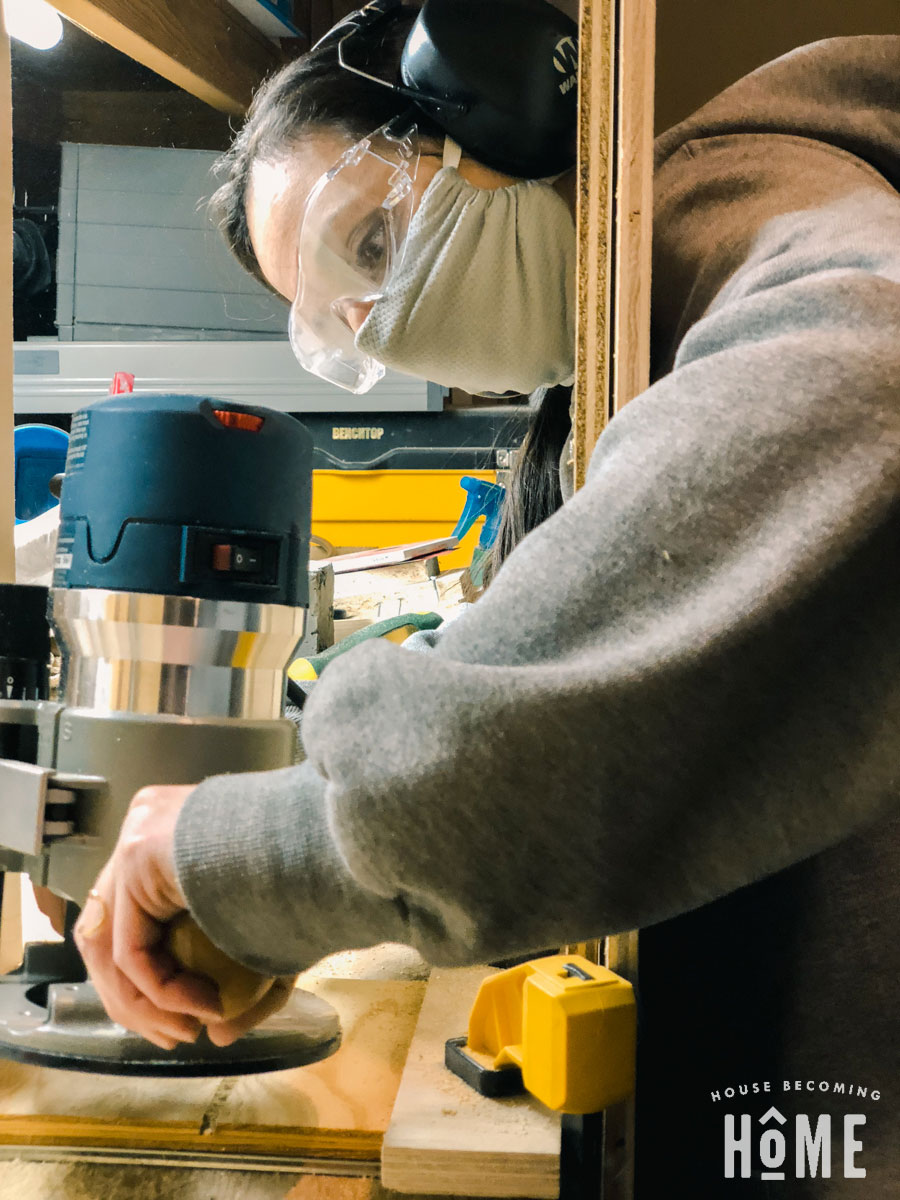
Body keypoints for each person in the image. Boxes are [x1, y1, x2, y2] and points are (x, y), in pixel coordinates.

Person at [73, 13, 899, 1196]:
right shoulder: (602, 373)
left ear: (507, 112)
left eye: (370, 241)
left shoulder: (756, 211)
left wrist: (262, 855)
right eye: (344, 325)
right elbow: (563, 749)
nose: (387, 321)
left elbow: (867, 390)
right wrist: (304, 891)